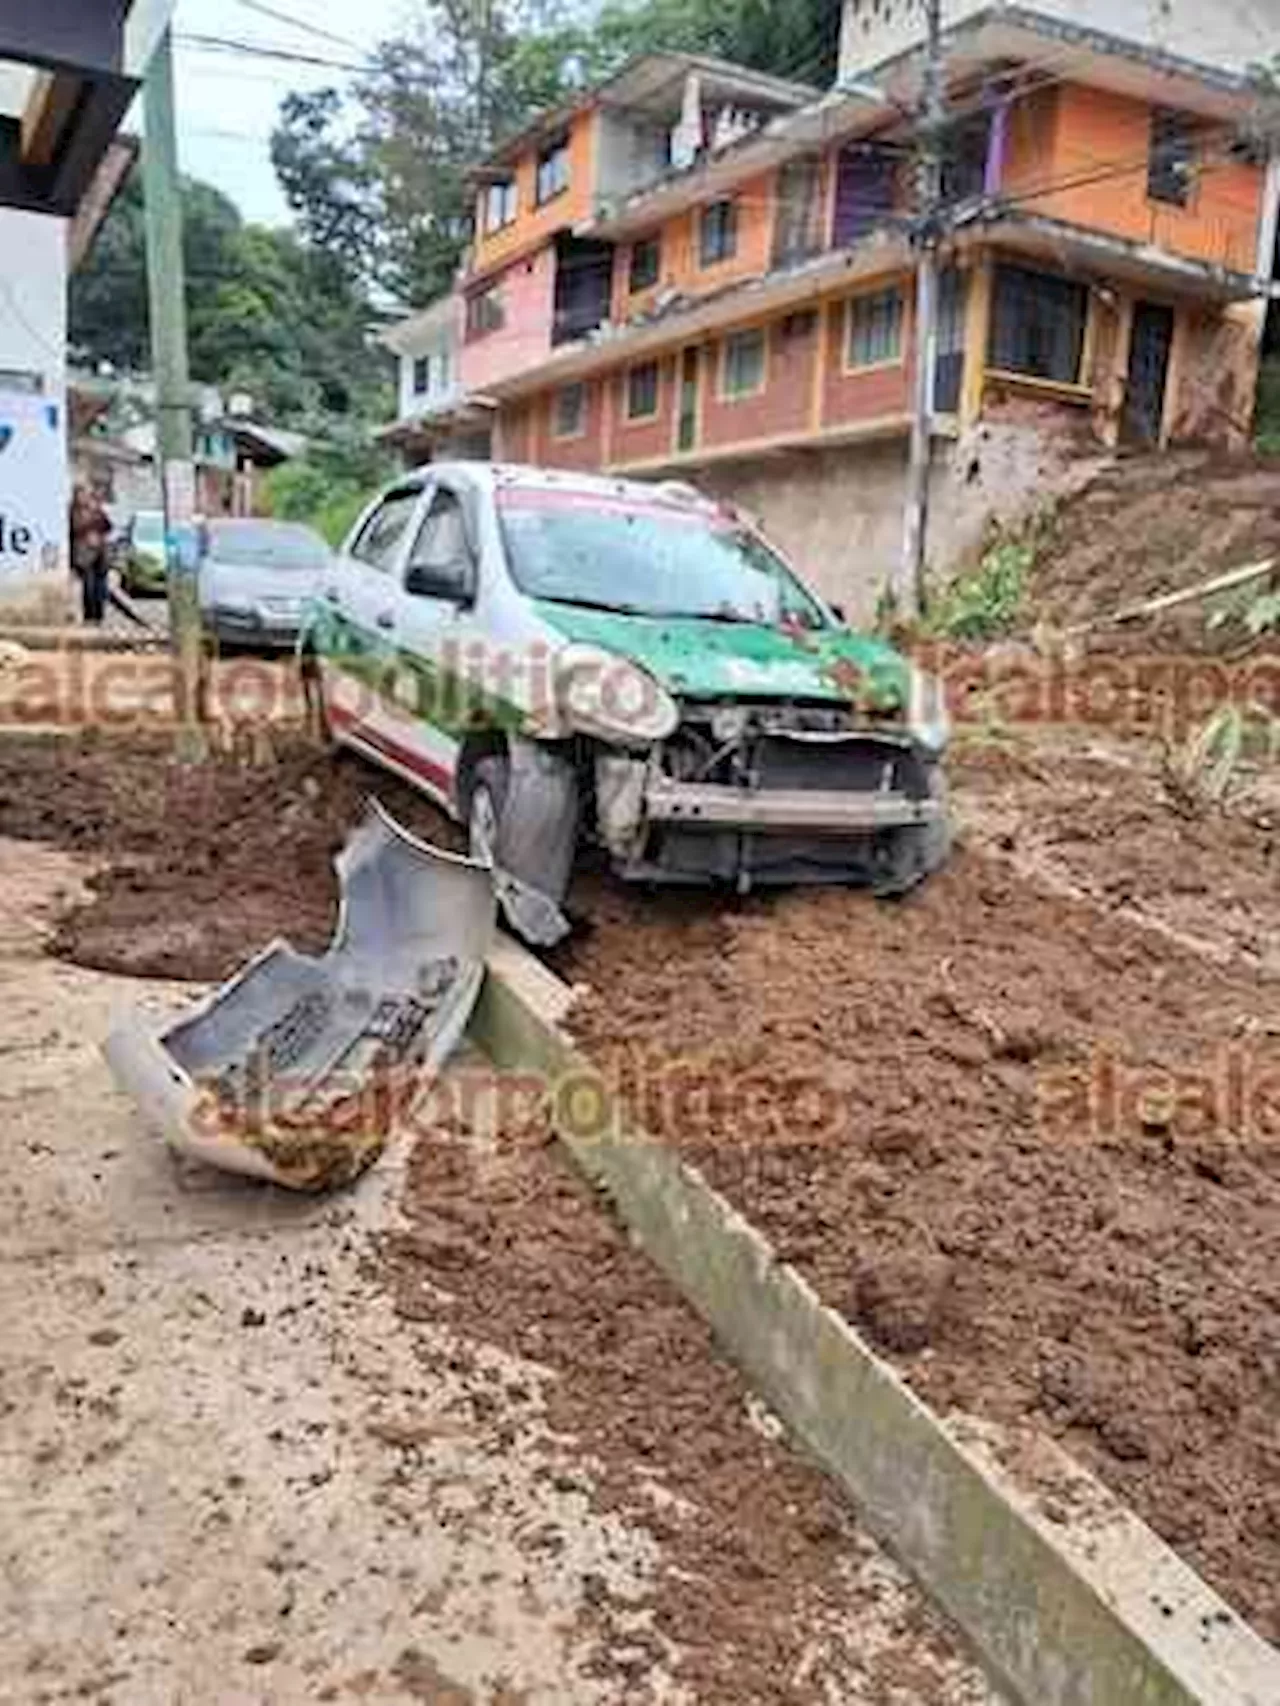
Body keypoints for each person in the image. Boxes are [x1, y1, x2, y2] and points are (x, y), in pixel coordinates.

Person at [70, 483, 111, 624]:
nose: (84, 498)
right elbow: (74, 529)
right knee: (89, 585)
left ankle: (99, 615)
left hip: (100, 552)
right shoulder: (74, 512)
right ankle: (89, 615)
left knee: (100, 586)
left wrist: (98, 512)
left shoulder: (96, 510)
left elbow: (107, 526)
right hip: (84, 553)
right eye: (81, 495)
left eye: (86, 494)